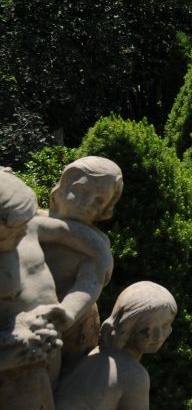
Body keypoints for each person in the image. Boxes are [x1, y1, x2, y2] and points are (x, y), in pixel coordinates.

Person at [0, 169, 111, 409]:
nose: (26, 229)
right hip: (13, 378)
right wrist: (9, 354)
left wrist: (101, 252)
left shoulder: (24, 227)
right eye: (12, 232)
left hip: (46, 358)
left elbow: (64, 231)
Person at [43, 157, 121, 368]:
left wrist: (66, 312)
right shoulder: (28, 218)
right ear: (60, 188)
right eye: (81, 191)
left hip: (63, 331)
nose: (87, 203)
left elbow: (89, 284)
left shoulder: (93, 249)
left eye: (98, 200)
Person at [55, 282, 177, 410]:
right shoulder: (133, 375)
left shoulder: (92, 355)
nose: (158, 336)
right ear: (127, 328)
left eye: (166, 324)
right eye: (145, 330)